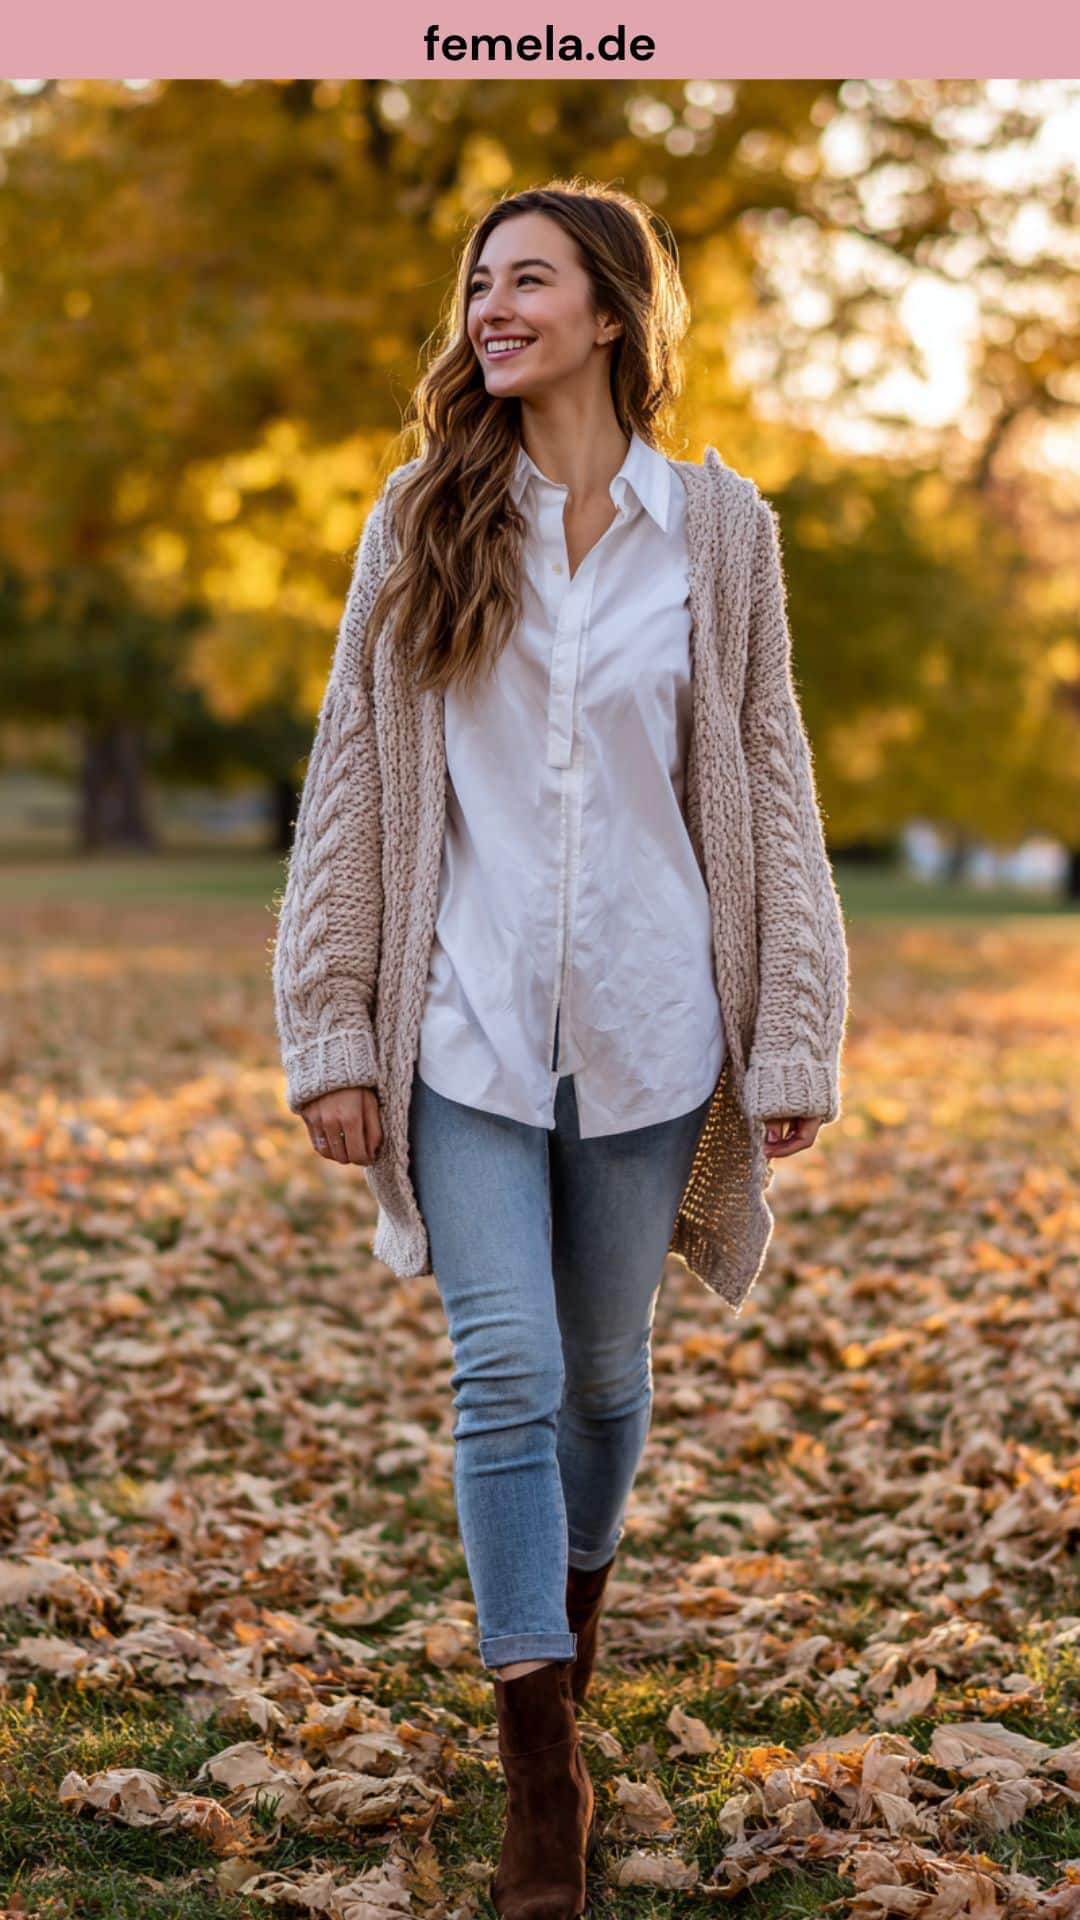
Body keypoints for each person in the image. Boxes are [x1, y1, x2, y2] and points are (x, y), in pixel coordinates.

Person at [272, 178, 849, 1920]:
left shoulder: (719, 534)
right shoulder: (422, 515)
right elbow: (357, 776)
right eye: (476, 283)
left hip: (656, 1027)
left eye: (527, 280)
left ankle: (565, 1637)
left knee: (606, 1381)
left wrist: (795, 1026)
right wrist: (331, 1026)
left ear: (613, 312)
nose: (490, 308)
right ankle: (545, 1777)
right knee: (508, 1372)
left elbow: (766, 774)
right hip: (462, 1028)